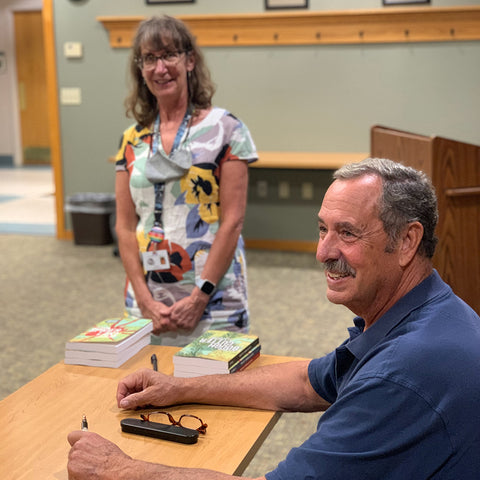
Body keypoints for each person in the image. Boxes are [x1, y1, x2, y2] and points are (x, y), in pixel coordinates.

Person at [68, 158, 480, 479]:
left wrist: (118, 470)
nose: (323, 252)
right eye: (323, 230)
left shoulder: (402, 374)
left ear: (408, 241)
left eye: (348, 233)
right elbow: (307, 381)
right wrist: (178, 387)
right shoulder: (426, 310)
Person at [114, 15, 257, 346]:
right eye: (150, 58)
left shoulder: (228, 130)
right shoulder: (131, 140)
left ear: (190, 60)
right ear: (141, 69)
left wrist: (199, 297)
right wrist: (144, 298)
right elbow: (124, 226)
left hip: (214, 298)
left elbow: (232, 221)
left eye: (169, 55)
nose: (160, 67)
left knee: (215, 391)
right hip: (148, 299)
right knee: (147, 387)